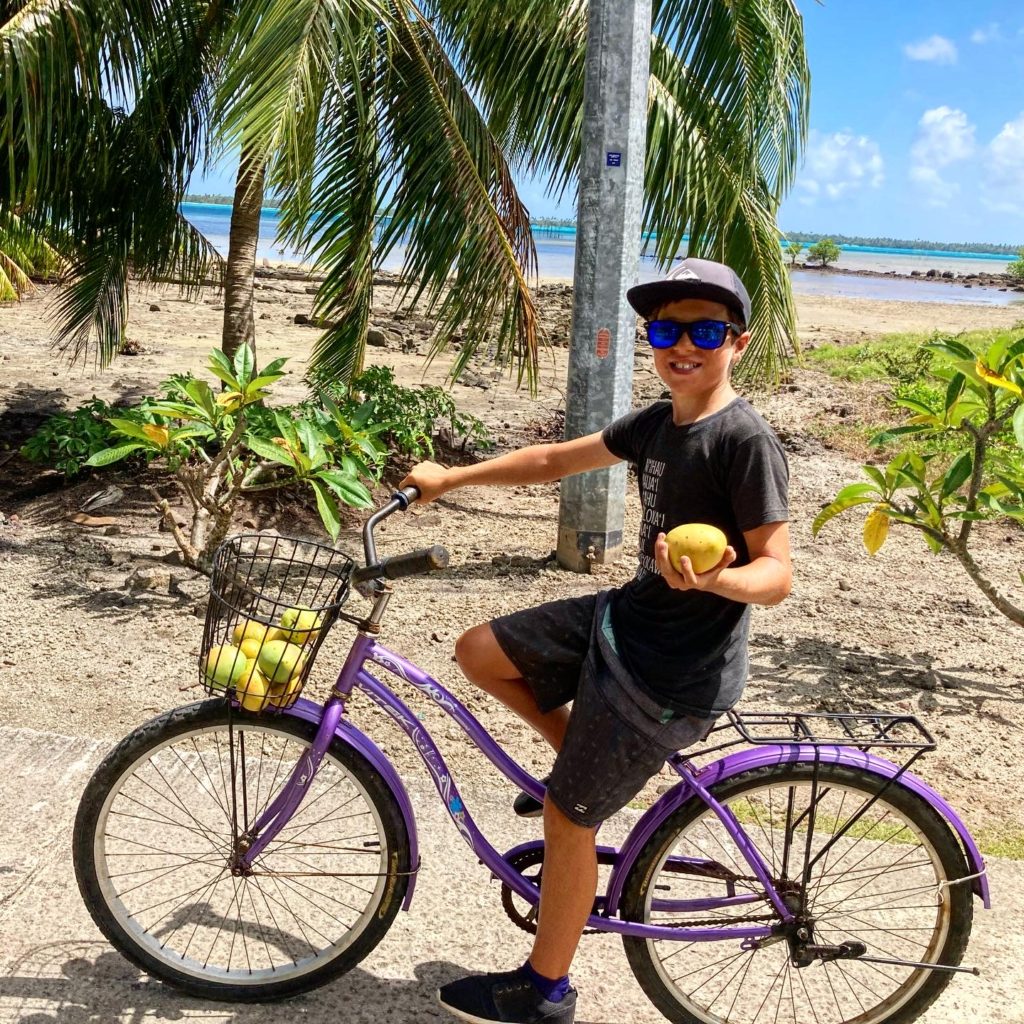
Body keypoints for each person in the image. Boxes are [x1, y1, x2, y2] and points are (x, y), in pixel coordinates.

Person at [400, 257, 792, 1024]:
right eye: (666, 329)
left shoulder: (744, 442)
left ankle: (544, 989)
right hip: (629, 619)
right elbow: (555, 460)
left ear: (737, 344)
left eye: (705, 330)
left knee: (567, 822)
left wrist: (715, 582)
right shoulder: (656, 423)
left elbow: (776, 573)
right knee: (480, 651)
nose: (683, 344)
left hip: (674, 671)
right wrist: (453, 478)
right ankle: (580, 769)